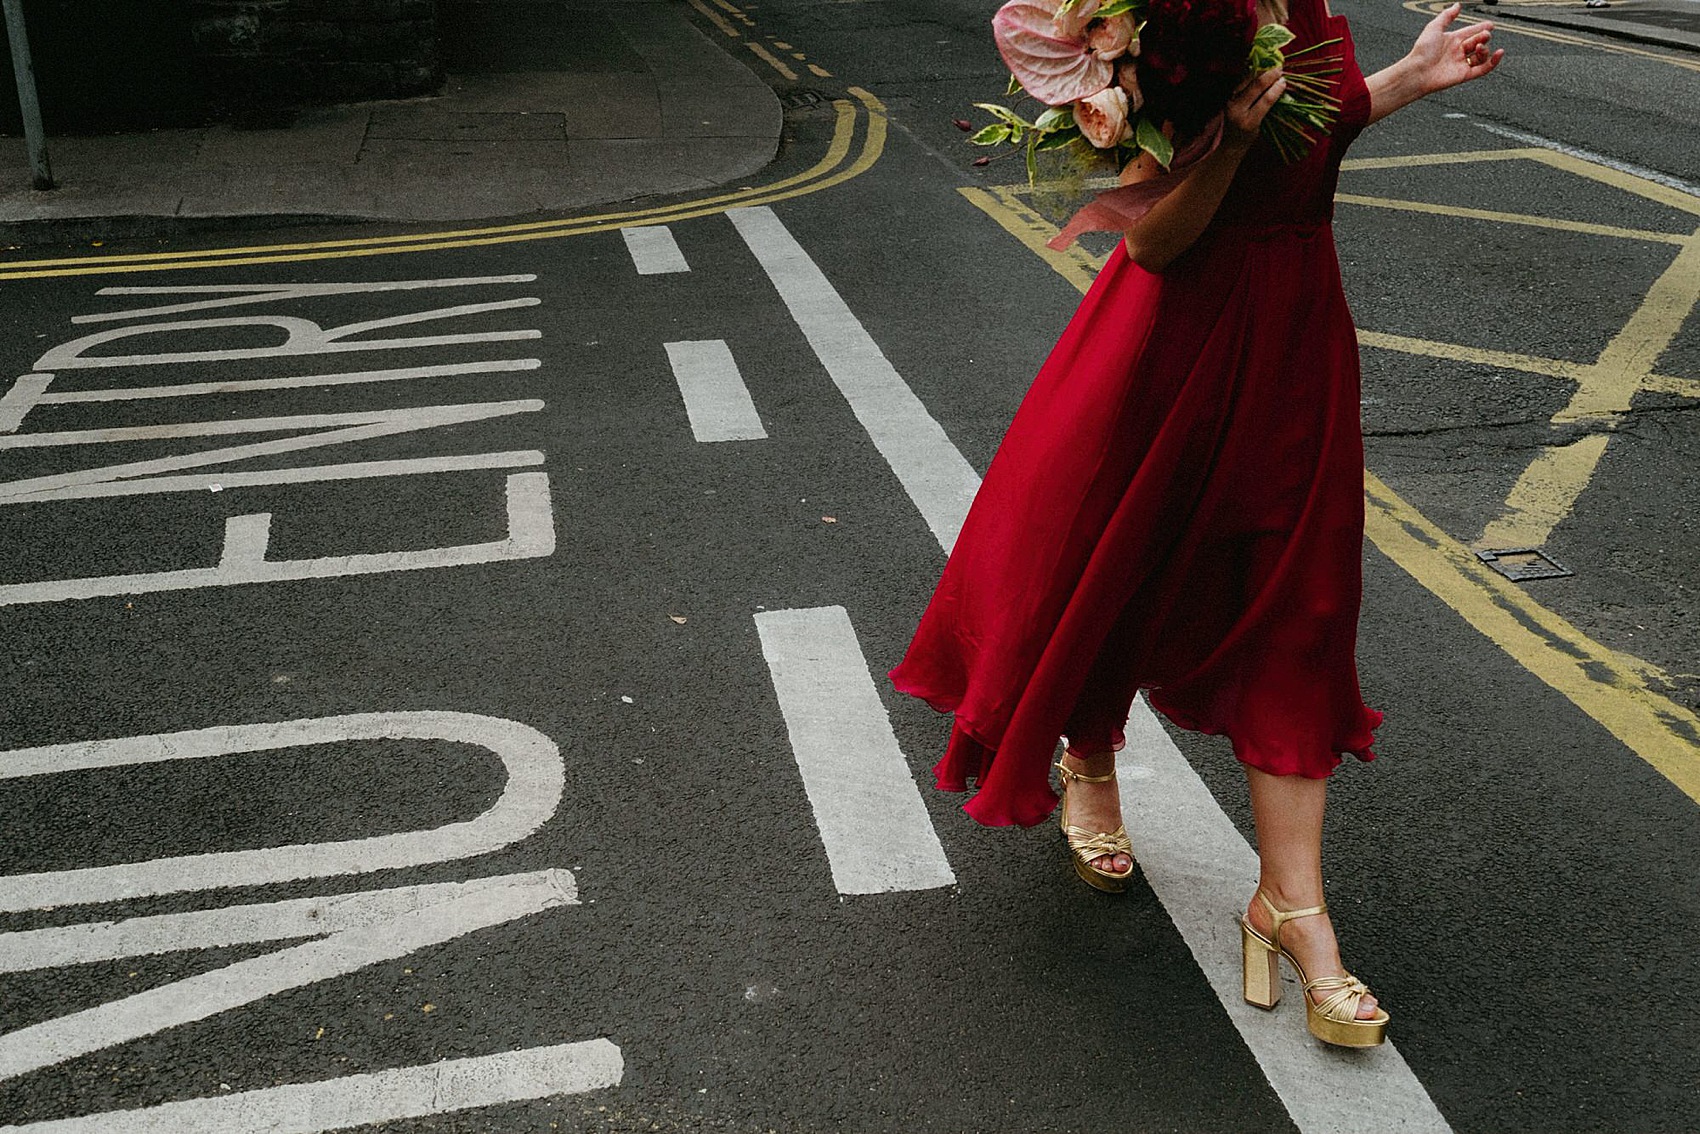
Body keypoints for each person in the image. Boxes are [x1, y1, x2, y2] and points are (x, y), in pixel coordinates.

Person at [890, 0, 1502, 1048]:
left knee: (1296, 609)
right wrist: (1225, 143)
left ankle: (1292, 907)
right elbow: (1158, 243)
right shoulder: (1156, 20)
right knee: (1116, 569)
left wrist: (1404, 78)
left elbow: (1312, 134)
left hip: (1297, 334)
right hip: (1173, 344)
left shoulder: (1300, 10)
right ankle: (1087, 760)